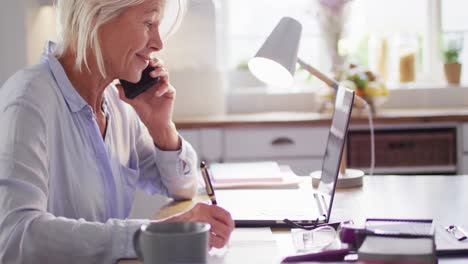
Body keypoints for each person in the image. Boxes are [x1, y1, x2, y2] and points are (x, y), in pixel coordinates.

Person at [0, 0, 234, 263]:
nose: (159, 43)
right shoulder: (27, 101)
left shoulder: (116, 105)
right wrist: (151, 234)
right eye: (148, 23)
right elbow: (16, 236)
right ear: (96, 17)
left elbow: (184, 187)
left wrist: (161, 127)